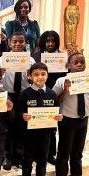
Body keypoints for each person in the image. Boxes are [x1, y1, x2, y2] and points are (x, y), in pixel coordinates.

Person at [0, 31, 36, 170]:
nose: (18, 44)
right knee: (8, 126)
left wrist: (31, 79)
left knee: (21, 126)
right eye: (14, 42)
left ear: (25, 43)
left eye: (21, 41)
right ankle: (6, 155)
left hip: (24, 95)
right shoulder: (2, 60)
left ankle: (19, 156)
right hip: (8, 95)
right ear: (9, 43)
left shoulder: (30, 61)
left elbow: (35, 79)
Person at [52, 53, 89, 176]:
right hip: (68, 121)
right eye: (76, 62)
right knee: (64, 153)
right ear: (68, 66)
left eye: (82, 62)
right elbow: (54, 101)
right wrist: (65, 90)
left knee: (78, 152)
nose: (80, 64)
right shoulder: (61, 81)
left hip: (83, 119)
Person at [19, 62, 63, 176]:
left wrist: (58, 117)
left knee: (42, 162)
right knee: (27, 162)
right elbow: (19, 113)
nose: (40, 77)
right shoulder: (24, 94)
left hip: (46, 135)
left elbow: (56, 112)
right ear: (30, 76)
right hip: (29, 135)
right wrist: (23, 117)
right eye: (36, 74)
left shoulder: (52, 94)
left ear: (47, 75)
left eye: (43, 74)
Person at [32, 30, 67, 165]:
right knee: (37, 123)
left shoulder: (63, 57)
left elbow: (65, 75)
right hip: (38, 93)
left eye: (53, 41)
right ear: (43, 42)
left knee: (52, 125)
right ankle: (35, 153)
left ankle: (50, 154)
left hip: (55, 95)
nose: (50, 43)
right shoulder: (36, 56)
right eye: (47, 41)